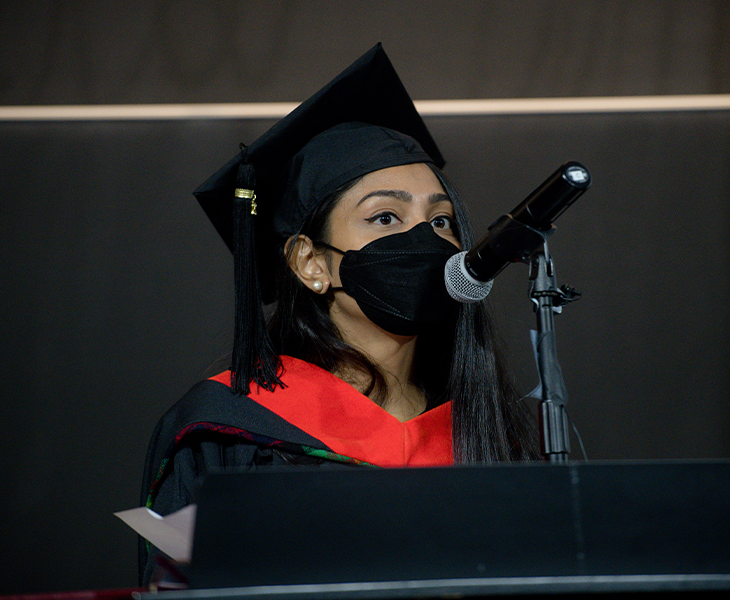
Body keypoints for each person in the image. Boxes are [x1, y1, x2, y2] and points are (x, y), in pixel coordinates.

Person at [140, 44, 540, 586]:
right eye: (385, 216)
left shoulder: (489, 431)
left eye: (442, 221)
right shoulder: (230, 430)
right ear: (310, 263)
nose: (424, 239)